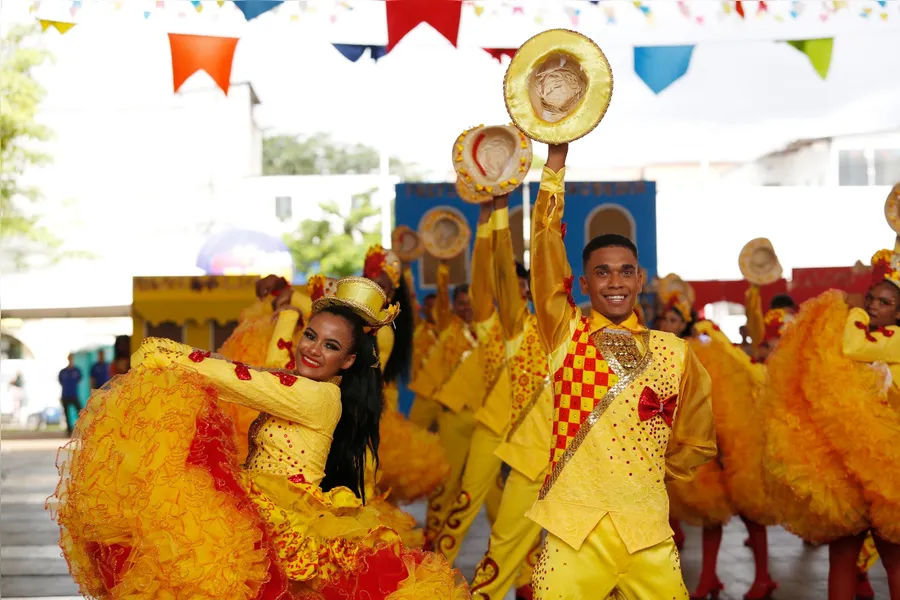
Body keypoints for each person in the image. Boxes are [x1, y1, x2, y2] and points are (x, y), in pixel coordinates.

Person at [49, 277, 467, 599]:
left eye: (331, 345)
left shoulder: (318, 397)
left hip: (284, 521)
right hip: (260, 506)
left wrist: (167, 355)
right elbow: (270, 365)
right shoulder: (299, 383)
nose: (314, 350)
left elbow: (238, 379)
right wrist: (287, 309)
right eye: (311, 336)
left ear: (349, 360)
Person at [525, 142, 716, 599]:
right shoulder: (566, 334)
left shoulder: (675, 352)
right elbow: (546, 246)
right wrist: (554, 163)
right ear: (584, 283)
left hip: (646, 533)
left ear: (640, 279)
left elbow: (698, 441)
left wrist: (645, 472)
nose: (615, 281)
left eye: (625, 272)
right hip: (573, 531)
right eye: (603, 273)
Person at [763, 247, 900, 600]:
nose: (872, 305)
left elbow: (855, 346)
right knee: (842, 560)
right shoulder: (855, 341)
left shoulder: (883, 340)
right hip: (848, 473)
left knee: (895, 563)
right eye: (871, 298)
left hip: (887, 474)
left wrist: (851, 307)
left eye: (883, 303)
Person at [468, 194, 553, 600]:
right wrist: (496, 215)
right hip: (530, 455)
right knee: (501, 548)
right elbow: (497, 276)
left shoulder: (583, 331)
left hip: (584, 463)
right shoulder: (516, 328)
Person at [58, 354, 82, 436]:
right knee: (66, 414)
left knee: (80, 411)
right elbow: (60, 381)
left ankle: (81, 428)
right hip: (65, 395)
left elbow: (79, 380)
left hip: (74, 395)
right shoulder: (63, 372)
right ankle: (69, 430)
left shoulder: (77, 371)